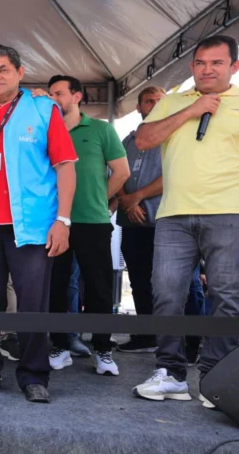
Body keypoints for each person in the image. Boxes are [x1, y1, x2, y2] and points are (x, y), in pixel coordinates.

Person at [0, 44, 77, 403]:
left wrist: (63, 220)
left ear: (20, 72)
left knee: (32, 303)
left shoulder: (43, 109)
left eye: (3, 70)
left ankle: (34, 374)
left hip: (33, 225)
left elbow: (65, 166)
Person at [132, 34, 239, 407]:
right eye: (201, 63)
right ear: (192, 66)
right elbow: (144, 139)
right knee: (166, 293)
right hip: (173, 214)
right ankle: (171, 373)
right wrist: (192, 110)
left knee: (227, 296)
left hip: (229, 213)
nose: (207, 69)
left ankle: (215, 379)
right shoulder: (173, 102)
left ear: (234, 66)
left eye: (217, 63)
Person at [45, 75, 130, 376]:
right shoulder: (45, 129)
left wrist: (98, 198)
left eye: (59, 93)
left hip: (93, 222)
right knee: (55, 288)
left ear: (77, 96)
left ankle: (103, 350)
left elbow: (122, 172)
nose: (54, 99)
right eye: (50, 94)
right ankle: (60, 347)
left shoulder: (101, 129)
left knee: (99, 290)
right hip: (55, 222)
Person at [115, 86, 166, 353]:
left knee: (169, 283)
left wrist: (138, 197)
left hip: (165, 224)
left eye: (160, 101)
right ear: (139, 107)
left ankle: (178, 340)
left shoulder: (174, 137)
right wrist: (126, 200)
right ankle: (146, 337)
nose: (155, 105)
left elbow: (173, 174)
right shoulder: (127, 141)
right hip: (132, 223)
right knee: (138, 280)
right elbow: (117, 172)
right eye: (149, 101)